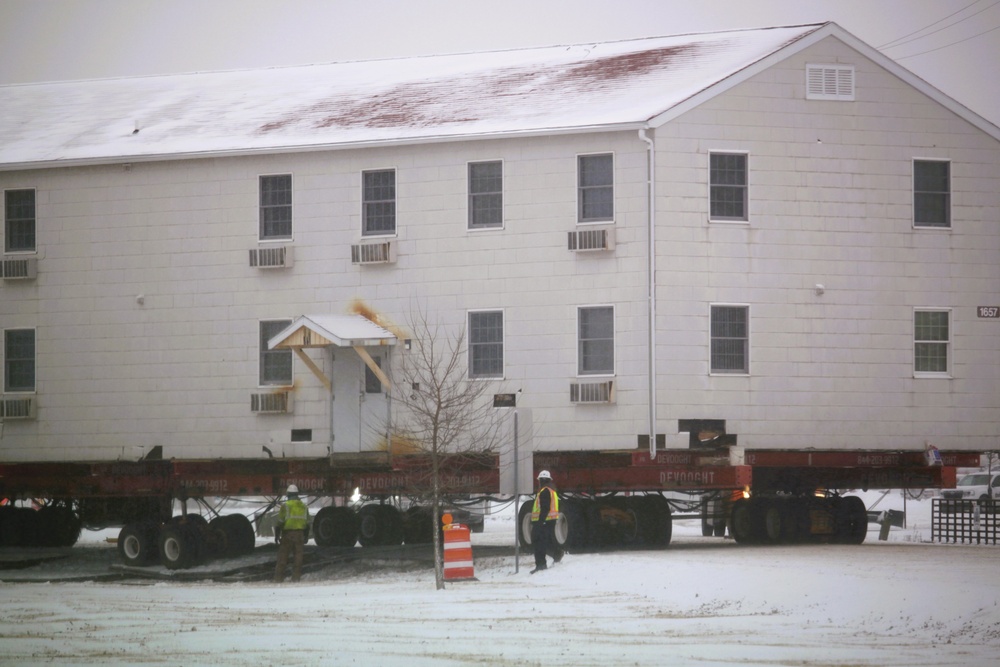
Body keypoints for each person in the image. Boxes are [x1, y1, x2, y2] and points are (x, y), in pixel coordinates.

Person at [273, 484, 309, 583]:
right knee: (298, 558)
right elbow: (307, 523)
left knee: (283, 558)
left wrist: (277, 535)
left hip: (287, 535)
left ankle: (278, 579)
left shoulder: (286, 506)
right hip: (300, 534)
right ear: (297, 494)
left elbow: (280, 522)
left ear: (288, 494)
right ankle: (296, 579)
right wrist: (306, 536)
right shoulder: (304, 507)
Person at [530, 470, 562, 573]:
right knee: (545, 542)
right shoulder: (551, 490)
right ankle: (554, 555)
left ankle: (541, 564)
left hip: (544, 522)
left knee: (539, 543)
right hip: (548, 521)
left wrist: (540, 522)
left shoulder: (544, 491)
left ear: (541, 480)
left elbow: (545, 508)